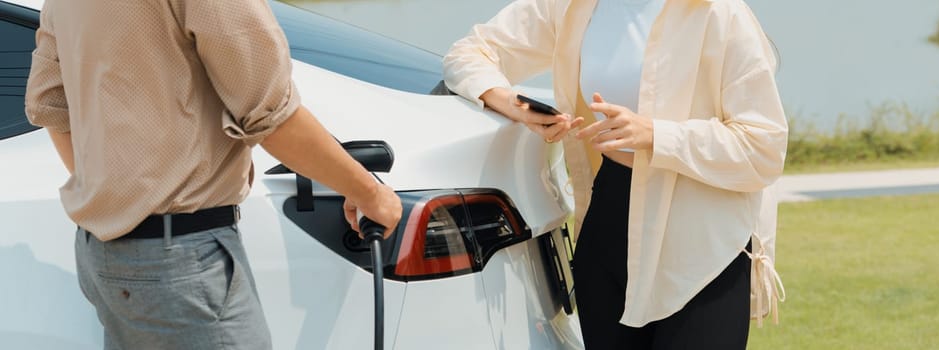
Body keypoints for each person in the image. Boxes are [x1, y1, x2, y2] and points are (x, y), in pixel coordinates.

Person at [24, 0, 402, 348]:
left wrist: (122, 196)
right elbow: (271, 117)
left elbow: (50, 105)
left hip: (106, 257)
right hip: (180, 260)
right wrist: (369, 193)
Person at [444, 0, 787, 348]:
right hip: (607, 221)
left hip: (704, 242)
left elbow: (764, 147)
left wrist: (655, 134)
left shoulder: (719, 11)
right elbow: (468, 54)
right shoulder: (567, 6)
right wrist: (514, 104)